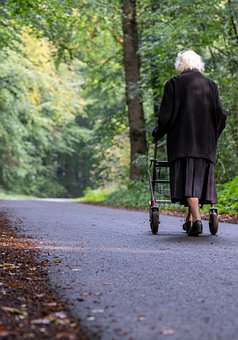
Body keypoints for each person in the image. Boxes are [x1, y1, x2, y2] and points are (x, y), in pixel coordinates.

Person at [152, 50, 226, 236]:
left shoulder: (174, 84)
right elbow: (221, 116)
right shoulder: (210, 85)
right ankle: (190, 219)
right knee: (197, 181)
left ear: (180, 65)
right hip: (205, 144)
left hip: (182, 143)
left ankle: (198, 220)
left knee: (188, 181)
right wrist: (213, 135)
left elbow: (166, 117)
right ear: (198, 64)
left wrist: (157, 133)